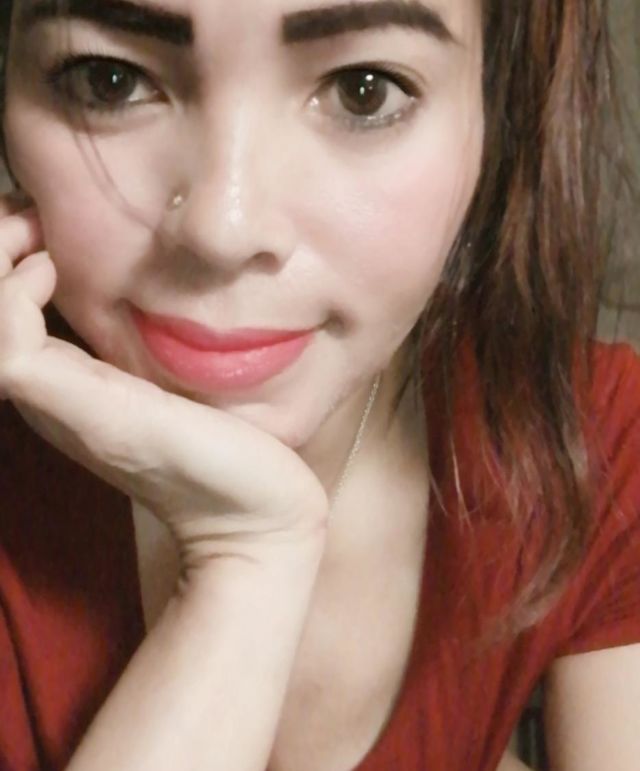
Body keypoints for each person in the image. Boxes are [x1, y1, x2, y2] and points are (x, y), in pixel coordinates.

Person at [0, 0, 638, 769]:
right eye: (108, 80)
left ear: (495, 112)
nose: (223, 229)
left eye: (362, 91)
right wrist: (245, 559)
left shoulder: (597, 439)